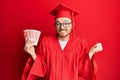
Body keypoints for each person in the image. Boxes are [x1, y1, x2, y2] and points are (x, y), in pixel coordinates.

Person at [22, 3, 103, 80]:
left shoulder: (80, 43)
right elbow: (41, 68)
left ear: (72, 24)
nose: (62, 27)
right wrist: (33, 54)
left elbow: (83, 69)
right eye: (58, 24)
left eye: (66, 23)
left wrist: (91, 52)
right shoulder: (46, 42)